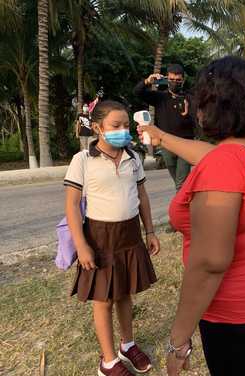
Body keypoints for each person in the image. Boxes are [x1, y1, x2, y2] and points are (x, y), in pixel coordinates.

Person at [138, 56, 245, 376]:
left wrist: (179, 339)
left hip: (243, 315)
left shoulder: (226, 164)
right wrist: (161, 136)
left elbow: (209, 263)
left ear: (211, 105)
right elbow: (216, 157)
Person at [64, 100, 160, 375]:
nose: (123, 130)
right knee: (103, 299)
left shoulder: (133, 158)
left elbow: (141, 196)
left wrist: (150, 231)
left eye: (126, 125)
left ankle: (127, 345)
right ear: (98, 128)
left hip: (129, 236)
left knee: (125, 293)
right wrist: (81, 245)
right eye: (115, 125)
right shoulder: (82, 160)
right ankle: (108, 361)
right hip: (99, 238)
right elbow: (71, 205)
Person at [134, 64, 196, 191]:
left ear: (183, 80)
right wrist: (147, 81)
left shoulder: (189, 97)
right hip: (166, 143)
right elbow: (137, 92)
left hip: (185, 143)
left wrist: (189, 113)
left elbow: (198, 117)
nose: (175, 82)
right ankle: (188, 198)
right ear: (167, 79)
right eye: (172, 80)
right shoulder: (160, 97)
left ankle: (182, 207)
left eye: (178, 80)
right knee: (178, 181)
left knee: (181, 183)